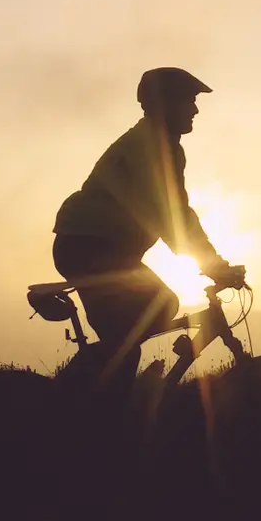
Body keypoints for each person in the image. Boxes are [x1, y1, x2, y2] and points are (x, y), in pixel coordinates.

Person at [51, 67, 243, 387]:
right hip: (88, 246)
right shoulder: (150, 146)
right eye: (189, 100)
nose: (195, 109)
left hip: (104, 248)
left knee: (145, 320)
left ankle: (102, 398)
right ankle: (78, 408)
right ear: (163, 103)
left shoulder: (164, 146)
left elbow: (179, 212)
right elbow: (170, 216)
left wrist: (213, 262)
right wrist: (213, 265)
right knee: (137, 329)